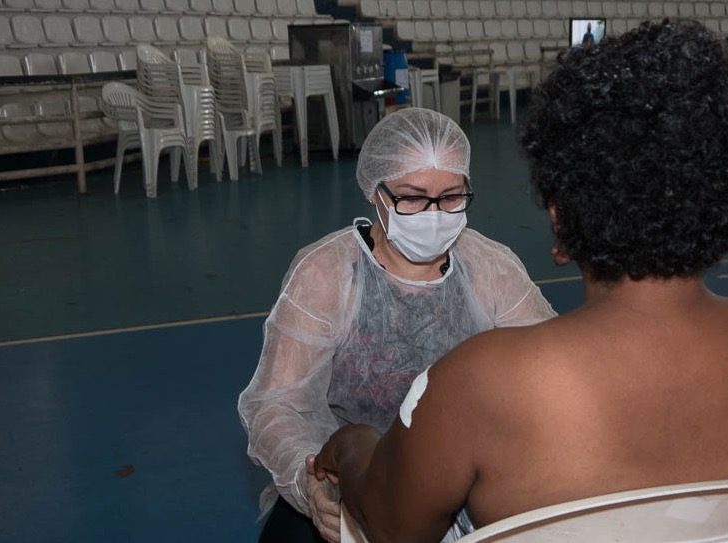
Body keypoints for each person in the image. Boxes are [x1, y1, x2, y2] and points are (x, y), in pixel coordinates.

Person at [313, 21, 728, 543]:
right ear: (722, 202)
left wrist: (354, 444)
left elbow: (391, 526)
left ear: (560, 220)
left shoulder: (478, 382)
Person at [238, 107, 557, 543]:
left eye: (451, 197)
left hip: (459, 476)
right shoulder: (326, 273)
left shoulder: (492, 268)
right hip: (343, 473)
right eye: (411, 197)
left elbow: (549, 372)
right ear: (375, 191)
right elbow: (276, 405)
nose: (434, 213)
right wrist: (309, 479)